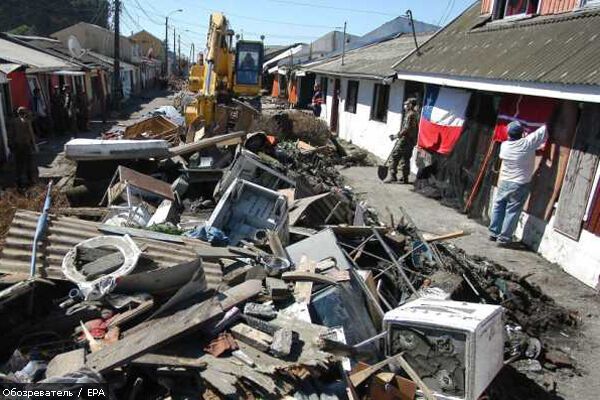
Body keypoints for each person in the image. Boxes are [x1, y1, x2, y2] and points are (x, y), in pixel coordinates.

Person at [489, 121, 548, 246]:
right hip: (520, 184)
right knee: (512, 211)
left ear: (508, 134)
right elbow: (543, 129)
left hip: (505, 181)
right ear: (522, 133)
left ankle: (494, 233)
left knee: (499, 206)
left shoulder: (504, 146)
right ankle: (503, 239)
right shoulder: (527, 143)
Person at [385, 98, 419, 184]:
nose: (405, 106)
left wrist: (396, 136)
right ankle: (405, 178)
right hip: (411, 141)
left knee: (395, 156)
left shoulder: (410, 115)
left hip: (405, 140)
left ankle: (392, 175)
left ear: (411, 105)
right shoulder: (415, 114)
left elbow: (406, 129)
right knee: (406, 158)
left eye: (407, 104)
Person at [8, 107, 38, 188]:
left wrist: (10, 145)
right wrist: (34, 145)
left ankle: (19, 181)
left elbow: (10, 135)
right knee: (28, 162)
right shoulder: (27, 122)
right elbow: (31, 134)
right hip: (26, 145)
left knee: (19, 163)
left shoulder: (13, 122)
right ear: (24, 113)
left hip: (17, 145)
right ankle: (29, 180)